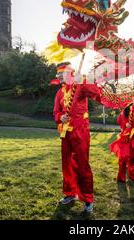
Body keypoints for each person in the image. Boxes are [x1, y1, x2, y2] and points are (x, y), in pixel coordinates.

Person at [53, 62, 102, 213]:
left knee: (82, 164)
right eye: (58, 75)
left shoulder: (79, 85)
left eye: (61, 74)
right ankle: (70, 193)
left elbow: (97, 93)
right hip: (66, 133)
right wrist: (60, 117)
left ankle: (87, 199)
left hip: (80, 131)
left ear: (70, 73)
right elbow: (56, 111)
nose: (59, 77)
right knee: (66, 164)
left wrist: (84, 80)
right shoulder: (60, 92)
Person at [111, 93, 134, 182]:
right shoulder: (127, 107)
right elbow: (120, 119)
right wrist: (125, 123)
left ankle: (133, 176)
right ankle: (121, 177)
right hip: (126, 135)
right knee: (123, 157)